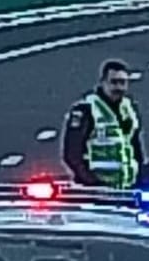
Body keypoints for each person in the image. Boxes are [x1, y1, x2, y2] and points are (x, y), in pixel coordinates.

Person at [61, 59, 144, 189]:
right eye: (114, 82)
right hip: (96, 190)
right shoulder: (87, 109)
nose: (118, 87)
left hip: (126, 187)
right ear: (103, 82)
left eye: (123, 82)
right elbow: (72, 153)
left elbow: (135, 149)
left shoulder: (128, 109)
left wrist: (139, 179)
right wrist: (90, 181)